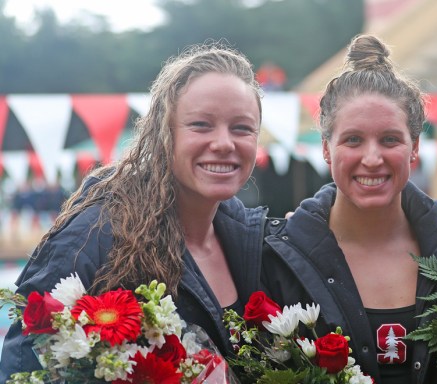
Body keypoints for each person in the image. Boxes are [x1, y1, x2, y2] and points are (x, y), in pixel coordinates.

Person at [0, 42, 268, 380]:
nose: (224, 143)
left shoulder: (252, 241)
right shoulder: (95, 235)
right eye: (201, 124)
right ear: (163, 133)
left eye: (241, 128)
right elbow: (22, 368)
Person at [260, 35, 437, 384]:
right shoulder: (279, 259)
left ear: (414, 146)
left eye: (390, 139)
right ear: (327, 148)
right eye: (353, 140)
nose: (372, 159)